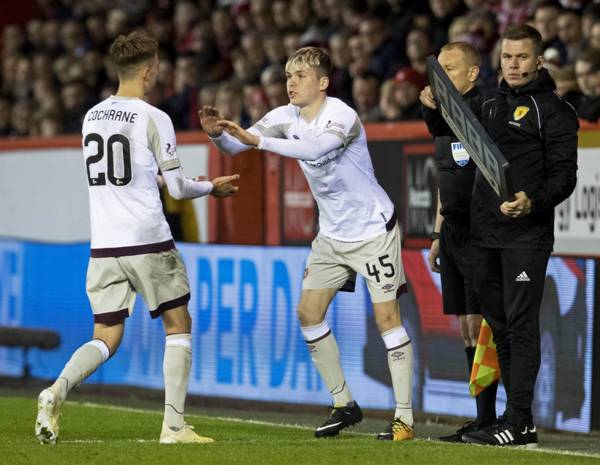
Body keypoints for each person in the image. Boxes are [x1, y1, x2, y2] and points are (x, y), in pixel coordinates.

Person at [35, 30, 240, 445]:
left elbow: (127, 173)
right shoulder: (153, 117)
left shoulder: (92, 116)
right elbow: (178, 189)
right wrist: (210, 187)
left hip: (104, 245)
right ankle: (174, 427)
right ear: (147, 72)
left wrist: (160, 179)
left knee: (105, 335)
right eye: (157, 68)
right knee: (178, 325)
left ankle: (56, 390)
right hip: (148, 240)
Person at [199, 46, 415, 441]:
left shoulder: (342, 115)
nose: (291, 83)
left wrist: (258, 141)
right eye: (288, 76)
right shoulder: (284, 116)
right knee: (308, 313)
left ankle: (404, 418)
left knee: (387, 319)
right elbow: (236, 146)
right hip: (331, 235)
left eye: (300, 76)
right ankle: (344, 404)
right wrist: (216, 135)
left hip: (372, 231)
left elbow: (313, 149)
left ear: (323, 82)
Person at [462, 24, 578, 447]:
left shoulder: (555, 111)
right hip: (484, 234)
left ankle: (520, 420)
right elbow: (450, 135)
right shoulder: (488, 102)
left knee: (521, 326)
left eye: (522, 57)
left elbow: (565, 177)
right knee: (501, 328)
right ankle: (513, 420)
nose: (513, 64)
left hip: (526, 236)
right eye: (507, 56)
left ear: (539, 60)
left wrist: (532, 201)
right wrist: (431, 108)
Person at [420, 41, 499, 443]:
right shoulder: (444, 119)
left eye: (450, 69)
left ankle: (493, 418)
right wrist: (437, 234)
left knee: (482, 325)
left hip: (479, 231)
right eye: (439, 69)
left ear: (472, 73)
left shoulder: (484, 110)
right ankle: (481, 417)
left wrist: (437, 109)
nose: (442, 77)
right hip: (451, 230)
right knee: (466, 328)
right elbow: (446, 180)